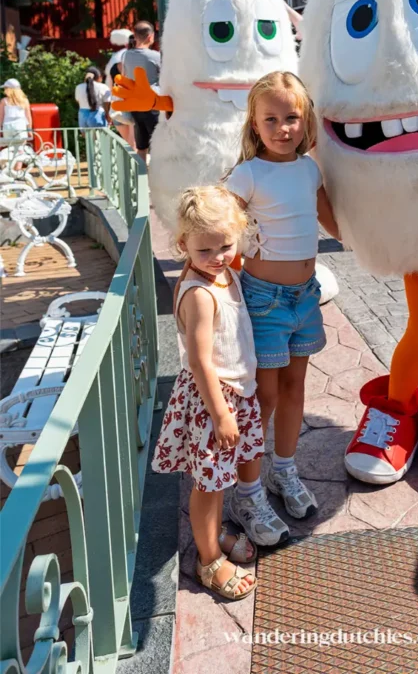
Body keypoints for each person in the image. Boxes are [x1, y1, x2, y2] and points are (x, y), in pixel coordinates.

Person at [224, 71, 339, 545]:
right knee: (262, 399)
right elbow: (222, 226)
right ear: (254, 123)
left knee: (294, 389)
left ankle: (283, 472)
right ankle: (246, 492)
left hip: (304, 297)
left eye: (292, 117)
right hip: (263, 301)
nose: (283, 127)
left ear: (305, 119)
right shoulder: (247, 174)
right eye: (270, 118)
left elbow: (334, 222)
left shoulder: (310, 169)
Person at [151, 185, 260, 601]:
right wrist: (220, 413)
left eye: (226, 246)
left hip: (234, 393)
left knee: (222, 477)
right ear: (183, 245)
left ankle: (214, 538)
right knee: (209, 484)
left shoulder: (223, 272)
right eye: (204, 251)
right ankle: (209, 558)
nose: (217, 257)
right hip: (213, 399)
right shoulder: (198, 293)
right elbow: (199, 361)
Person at [122, 21, 161, 162]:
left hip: (135, 104)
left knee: (141, 147)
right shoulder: (155, 56)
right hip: (153, 105)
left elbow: (124, 76)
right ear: (150, 37)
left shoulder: (126, 56)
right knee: (158, 145)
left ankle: (141, 178)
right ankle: (159, 178)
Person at [104, 29, 135, 149]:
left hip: (116, 108)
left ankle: (128, 167)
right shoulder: (139, 64)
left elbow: (108, 89)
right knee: (134, 146)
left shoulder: (114, 64)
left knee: (128, 145)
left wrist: (107, 112)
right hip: (133, 108)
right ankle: (134, 168)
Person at [0, 78, 32, 144]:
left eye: (5, 88)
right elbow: (28, 116)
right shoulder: (24, 101)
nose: (4, 90)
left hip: (7, 127)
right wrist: (29, 130)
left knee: (10, 149)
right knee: (21, 147)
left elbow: (1, 117)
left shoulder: (4, 101)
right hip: (20, 126)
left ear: (9, 89)